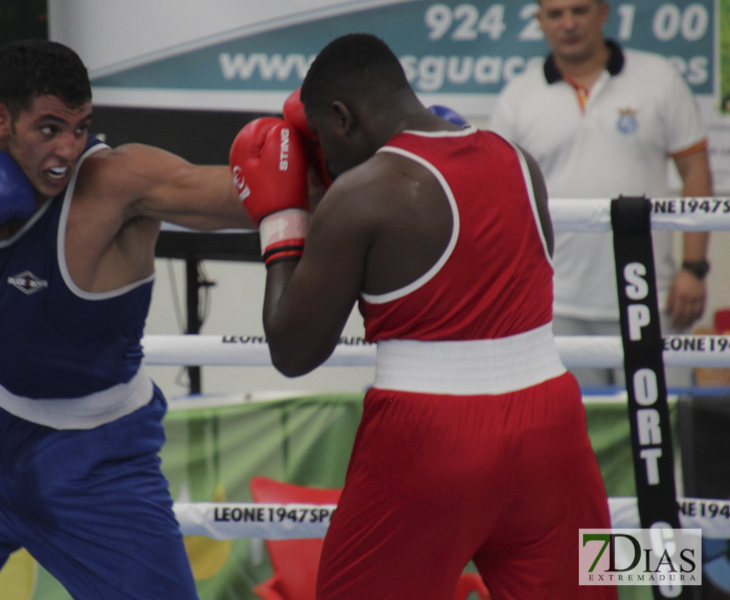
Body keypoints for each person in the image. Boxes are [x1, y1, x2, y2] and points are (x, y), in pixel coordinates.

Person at [0, 39, 247, 600]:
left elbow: (243, 196)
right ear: (1, 120)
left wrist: (370, 154)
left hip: (98, 456)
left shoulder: (117, 184)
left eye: (81, 128)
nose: (68, 149)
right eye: (49, 129)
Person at [229, 33, 615, 599]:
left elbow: (292, 351)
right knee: (590, 586)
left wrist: (283, 220)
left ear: (342, 117)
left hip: (428, 441)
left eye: (323, 143)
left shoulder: (365, 193)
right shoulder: (519, 161)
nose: (326, 162)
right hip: (552, 424)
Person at [490, 0, 713, 388]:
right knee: (574, 436)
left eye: (580, 10)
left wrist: (693, 269)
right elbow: (500, 198)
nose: (569, 23)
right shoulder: (517, 96)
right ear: (539, 21)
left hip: (651, 295)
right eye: (556, 14)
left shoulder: (659, 78)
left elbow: (695, 172)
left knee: (664, 429)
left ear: (603, 12)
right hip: (557, 303)